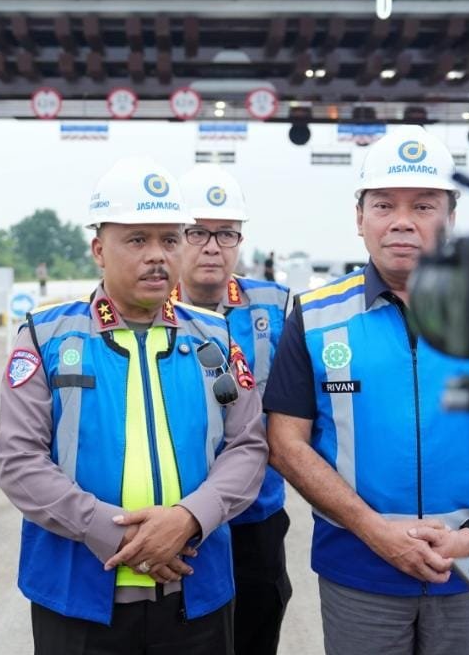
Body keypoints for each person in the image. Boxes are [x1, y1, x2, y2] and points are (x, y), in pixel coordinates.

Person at [264, 125, 469, 655]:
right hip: (357, 567)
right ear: (359, 217)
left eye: (423, 206)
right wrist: (374, 531)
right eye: (384, 205)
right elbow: (286, 443)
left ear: (451, 217)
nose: (402, 222)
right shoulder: (314, 316)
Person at [0, 156, 268, 655]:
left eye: (169, 239)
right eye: (137, 240)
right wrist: (116, 534)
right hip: (78, 597)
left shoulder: (216, 337)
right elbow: (19, 462)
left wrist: (188, 519)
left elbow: (247, 447)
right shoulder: (45, 335)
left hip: (195, 589)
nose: (157, 256)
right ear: (99, 249)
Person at [174, 163, 292, 655]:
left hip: (255, 517)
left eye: (225, 233)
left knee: (256, 632)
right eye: (197, 232)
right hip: (182, 519)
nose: (212, 246)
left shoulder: (276, 308)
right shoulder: (150, 309)